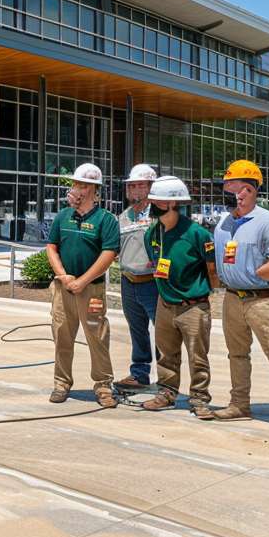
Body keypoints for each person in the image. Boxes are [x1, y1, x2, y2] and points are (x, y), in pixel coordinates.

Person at [210, 160, 269, 435]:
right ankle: (239, 404)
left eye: (241, 188)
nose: (235, 193)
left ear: (253, 190)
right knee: (237, 354)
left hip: (262, 300)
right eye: (229, 187)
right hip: (231, 298)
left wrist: (263, 271)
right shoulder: (224, 224)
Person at [140, 176, 219, 418]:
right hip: (165, 303)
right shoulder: (153, 234)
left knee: (198, 356)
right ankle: (166, 392)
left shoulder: (197, 234)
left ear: (172, 204)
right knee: (166, 353)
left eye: (157, 201)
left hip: (193, 306)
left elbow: (212, 270)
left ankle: (199, 398)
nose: (151, 204)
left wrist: (206, 296)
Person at [45, 162, 120, 406]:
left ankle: (103, 386)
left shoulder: (106, 219)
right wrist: (64, 276)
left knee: (97, 337)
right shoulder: (63, 216)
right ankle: (61, 383)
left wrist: (83, 281)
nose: (77, 189)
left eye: (83, 185)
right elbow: (51, 247)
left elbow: (108, 254)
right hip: (63, 287)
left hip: (92, 289)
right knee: (61, 335)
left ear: (93, 190)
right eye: (76, 184)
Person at [114, 163, 159, 391]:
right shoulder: (124, 217)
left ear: (151, 187)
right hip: (128, 281)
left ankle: (168, 378)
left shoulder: (159, 215)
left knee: (162, 331)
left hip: (152, 283)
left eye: (139, 185)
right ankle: (140, 373)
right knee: (136, 329)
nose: (133, 189)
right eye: (131, 185)